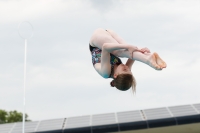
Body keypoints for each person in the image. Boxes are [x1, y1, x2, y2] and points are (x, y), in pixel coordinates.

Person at [89, 28, 167, 92]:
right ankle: (147, 57)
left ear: (116, 75)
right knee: (127, 51)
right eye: (130, 71)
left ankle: (148, 59)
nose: (126, 67)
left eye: (125, 69)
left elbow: (105, 47)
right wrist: (143, 50)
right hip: (110, 34)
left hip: (96, 39)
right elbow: (132, 56)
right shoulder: (125, 71)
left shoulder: (105, 73)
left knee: (120, 51)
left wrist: (128, 46)